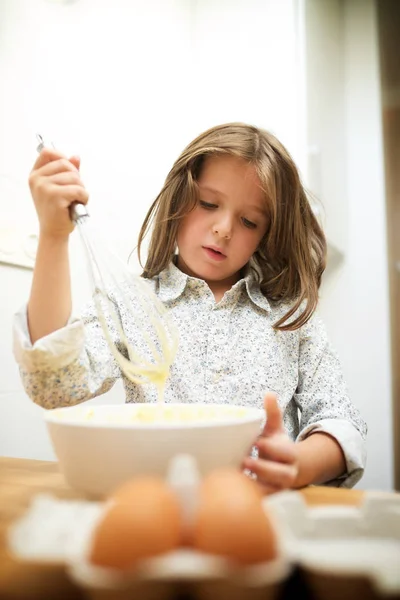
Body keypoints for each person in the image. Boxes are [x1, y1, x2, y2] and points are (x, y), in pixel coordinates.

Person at [13, 123, 367, 493]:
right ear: (179, 198)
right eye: (209, 203)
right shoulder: (130, 305)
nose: (224, 228)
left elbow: (340, 421)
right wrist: (54, 235)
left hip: (260, 515)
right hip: (154, 512)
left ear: (267, 233)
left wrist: (301, 462)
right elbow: (52, 385)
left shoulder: (291, 320)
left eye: (249, 221)